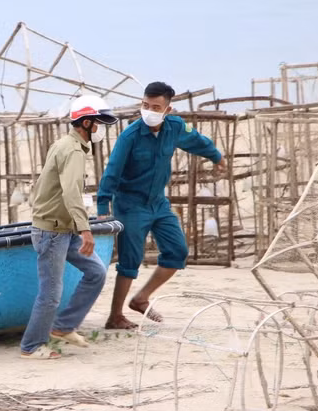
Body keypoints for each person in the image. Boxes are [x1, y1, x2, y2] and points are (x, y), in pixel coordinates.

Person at [96, 82, 226, 329]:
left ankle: (141, 298)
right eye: (145, 105)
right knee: (130, 260)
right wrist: (103, 208)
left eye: (156, 107)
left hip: (158, 203)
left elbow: (196, 141)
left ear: (167, 109)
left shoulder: (175, 127)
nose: (149, 111)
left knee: (177, 251)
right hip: (130, 204)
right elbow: (112, 171)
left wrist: (217, 157)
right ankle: (115, 316)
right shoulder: (130, 136)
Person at [20, 94, 117, 359]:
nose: (100, 129)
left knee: (96, 271)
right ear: (86, 123)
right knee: (51, 293)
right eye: (98, 123)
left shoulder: (65, 144)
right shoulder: (73, 150)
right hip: (52, 230)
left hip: (65, 228)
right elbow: (71, 193)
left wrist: (77, 226)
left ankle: (63, 327)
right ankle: (31, 346)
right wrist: (85, 230)